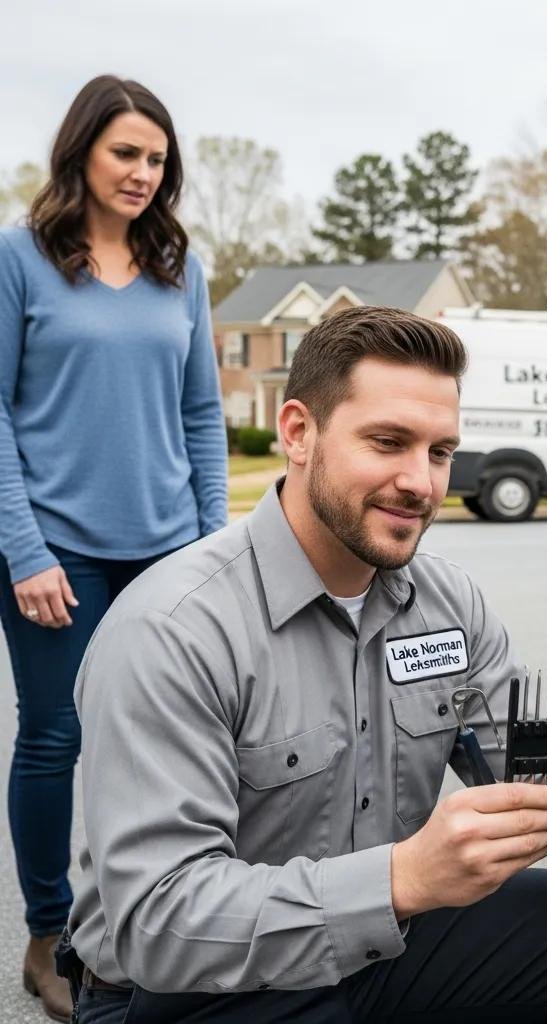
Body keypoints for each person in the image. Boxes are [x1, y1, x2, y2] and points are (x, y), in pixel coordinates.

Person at [64, 306, 547, 1024]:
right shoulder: (174, 629)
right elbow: (160, 923)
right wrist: (401, 879)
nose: (420, 482)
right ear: (298, 433)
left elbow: (538, 786)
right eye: (387, 442)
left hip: (380, 942)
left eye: (439, 452)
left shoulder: (446, 604)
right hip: (187, 992)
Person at [0, 76, 227, 1021]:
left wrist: (218, 544)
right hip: (60, 555)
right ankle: (50, 938)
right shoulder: (20, 257)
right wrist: (23, 551)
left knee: (179, 744)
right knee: (58, 741)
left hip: (170, 550)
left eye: (158, 159)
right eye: (126, 153)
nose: (143, 173)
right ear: (82, 153)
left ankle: (156, 924)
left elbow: (204, 412)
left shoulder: (181, 265)